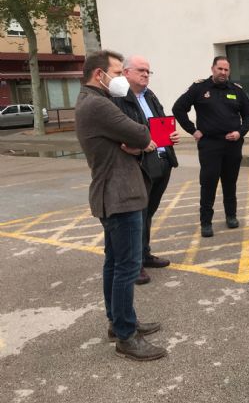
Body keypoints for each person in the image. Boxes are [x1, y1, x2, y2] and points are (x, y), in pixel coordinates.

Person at [75, 50, 167, 361]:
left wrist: (134, 144)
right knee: (126, 267)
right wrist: (138, 141)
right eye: (116, 73)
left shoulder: (92, 101)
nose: (120, 80)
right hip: (119, 195)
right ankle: (126, 336)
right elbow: (142, 132)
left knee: (115, 263)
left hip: (114, 193)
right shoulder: (98, 103)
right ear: (98, 75)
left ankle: (119, 322)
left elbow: (135, 139)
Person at [113, 55, 179, 285]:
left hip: (162, 160)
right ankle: (135, 264)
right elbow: (120, 132)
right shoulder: (119, 99)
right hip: (141, 164)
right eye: (141, 70)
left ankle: (145, 253)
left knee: (148, 212)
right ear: (126, 73)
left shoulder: (150, 96)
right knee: (137, 216)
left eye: (148, 71)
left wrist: (171, 135)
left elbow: (159, 123)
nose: (145, 74)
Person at [172, 56, 249, 238]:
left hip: (232, 144)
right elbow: (178, 108)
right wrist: (193, 130)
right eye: (220, 69)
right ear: (212, 69)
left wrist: (240, 132)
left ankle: (231, 216)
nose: (223, 73)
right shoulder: (199, 88)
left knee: (230, 181)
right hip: (210, 144)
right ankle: (206, 222)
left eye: (226, 70)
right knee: (208, 183)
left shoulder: (237, 90)